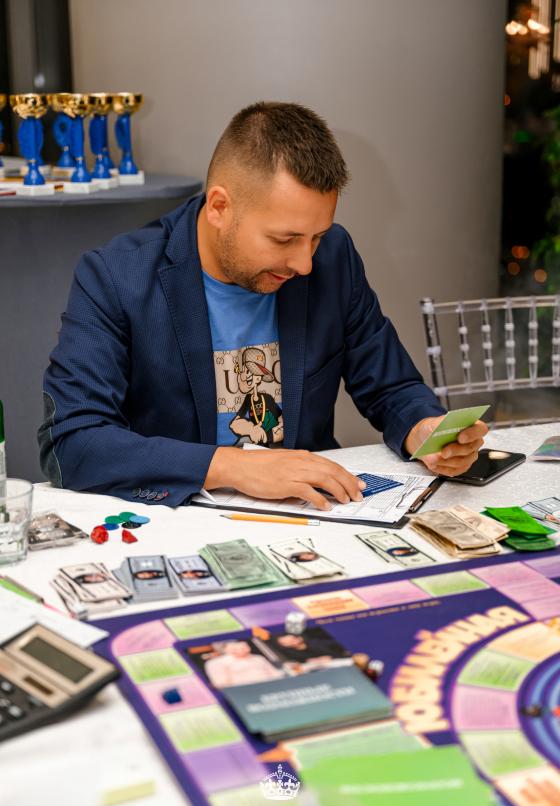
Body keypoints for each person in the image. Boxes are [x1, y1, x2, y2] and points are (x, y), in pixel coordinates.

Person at [39, 101, 487, 511]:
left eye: (317, 236)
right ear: (219, 207)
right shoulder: (117, 276)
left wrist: (423, 429)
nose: (305, 263)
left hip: (314, 517)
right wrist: (232, 466)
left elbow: (391, 387)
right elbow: (71, 441)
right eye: (284, 239)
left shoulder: (333, 258)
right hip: (178, 519)